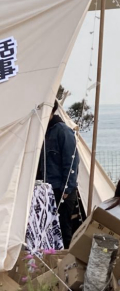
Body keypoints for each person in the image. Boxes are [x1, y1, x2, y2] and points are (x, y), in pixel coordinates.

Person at [37, 100, 79, 249]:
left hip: (60, 189)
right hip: (44, 189)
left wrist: (67, 189)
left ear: (51, 110)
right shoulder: (40, 130)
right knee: (44, 228)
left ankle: (64, 260)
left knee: (62, 228)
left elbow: (72, 160)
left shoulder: (63, 131)